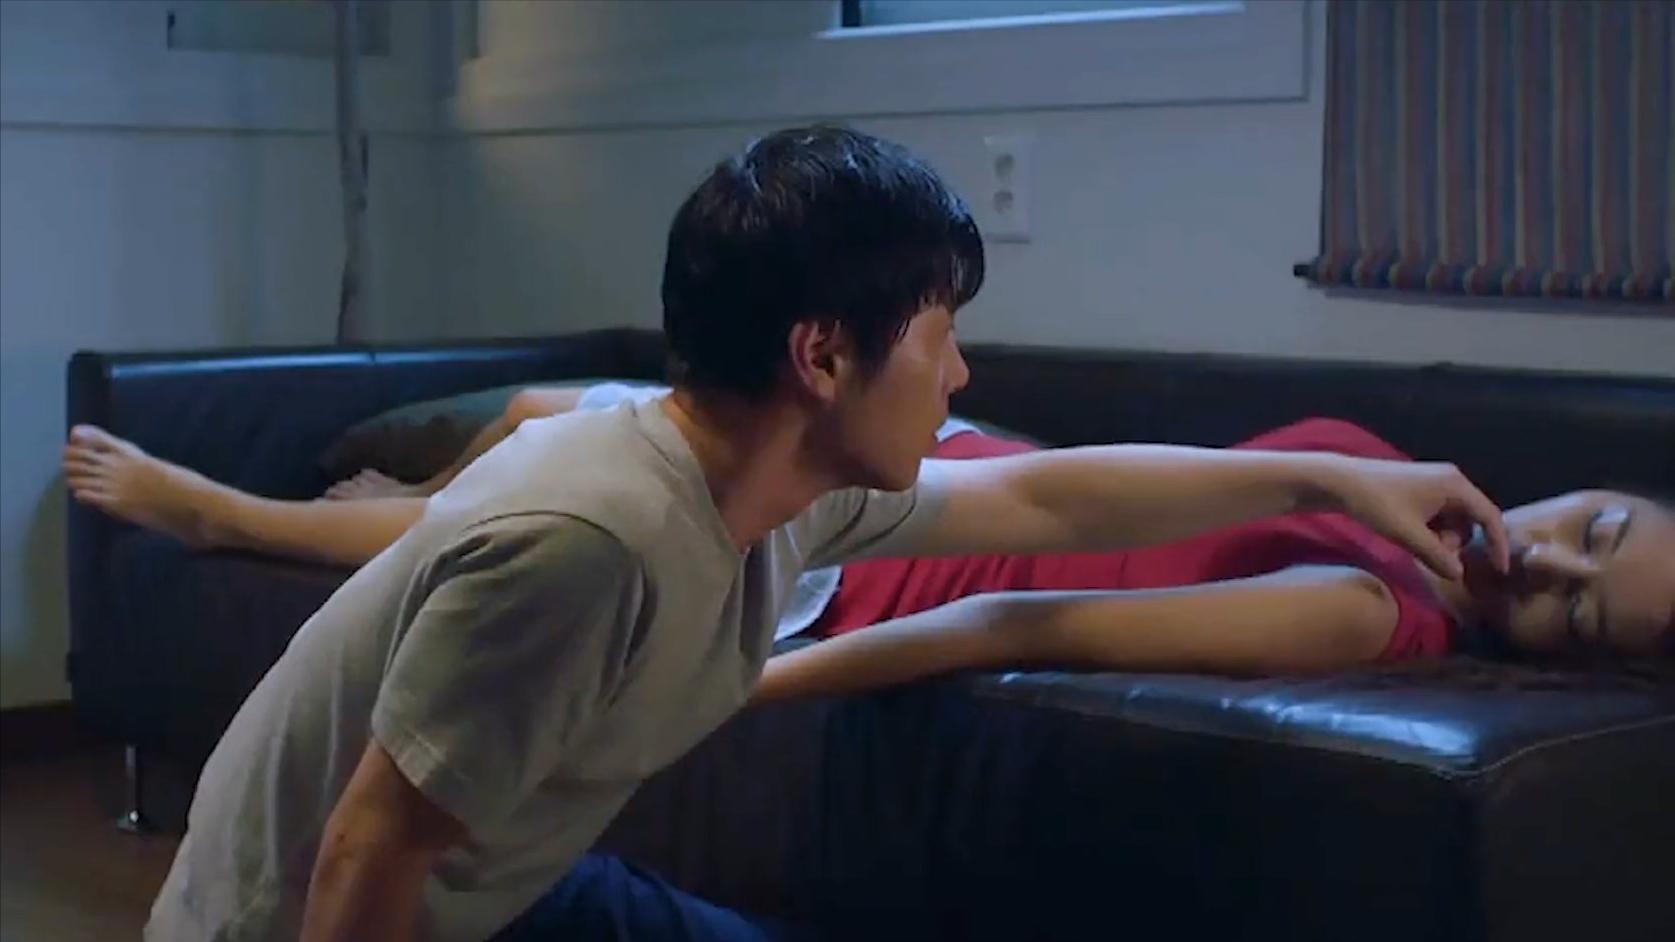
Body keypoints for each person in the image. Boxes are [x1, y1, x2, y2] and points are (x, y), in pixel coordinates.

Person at [76, 126, 1511, 942]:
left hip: (504, 888)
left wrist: (1330, 487)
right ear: (823, 355)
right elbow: (362, 853)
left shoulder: (784, 478)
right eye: (940, 341)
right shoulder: (591, 541)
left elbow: (1050, 497)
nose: (960, 375)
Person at [67, 395, 1670, 676]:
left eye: (1576, 611)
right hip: (962, 466)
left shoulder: (1366, 613)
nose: (1546, 564)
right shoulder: (1390, 473)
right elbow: (1114, 482)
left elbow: (1025, 620)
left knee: (558, 498)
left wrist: (757, 686)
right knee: (552, 410)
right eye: (1594, 530)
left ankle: (234, 514)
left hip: (877, 557)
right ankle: (364, 512)